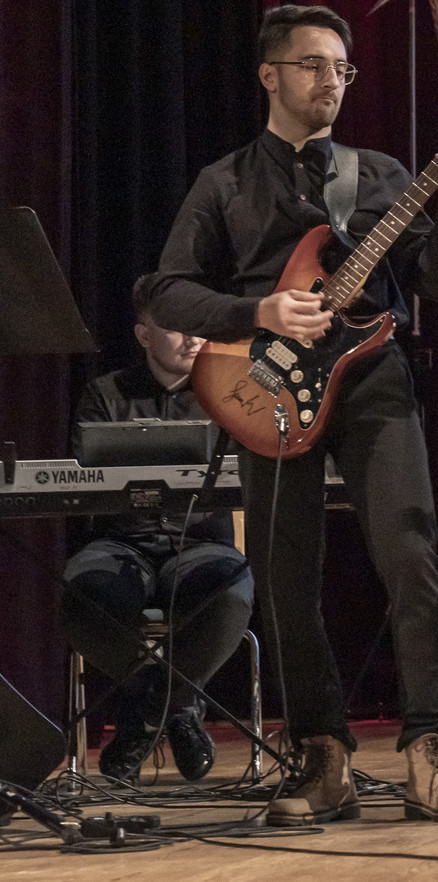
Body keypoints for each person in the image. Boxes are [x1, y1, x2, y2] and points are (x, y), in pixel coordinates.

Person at [147, 4, 438, 824]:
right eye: (313, 65)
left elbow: (435, 283)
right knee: (285, 576)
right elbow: (165, 291)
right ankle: (322, 755)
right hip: (266, 387)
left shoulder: (380, 175)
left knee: (410, 552)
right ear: (270, 75)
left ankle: (431, 749)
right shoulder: (225, 182)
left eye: (342, 67)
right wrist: (258, 312)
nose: (332, 80)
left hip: (373, 378)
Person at [63, 274, 254, 785]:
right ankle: (178, 708)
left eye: (199, 326)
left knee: (229, 590)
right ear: (144, 335)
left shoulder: (231, 393)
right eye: (176, 327)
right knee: (83, 595)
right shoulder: (105, 394)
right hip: (120, 542)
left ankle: (143, 716)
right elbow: (83, 483)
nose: (192, 338)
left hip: (200, 543)